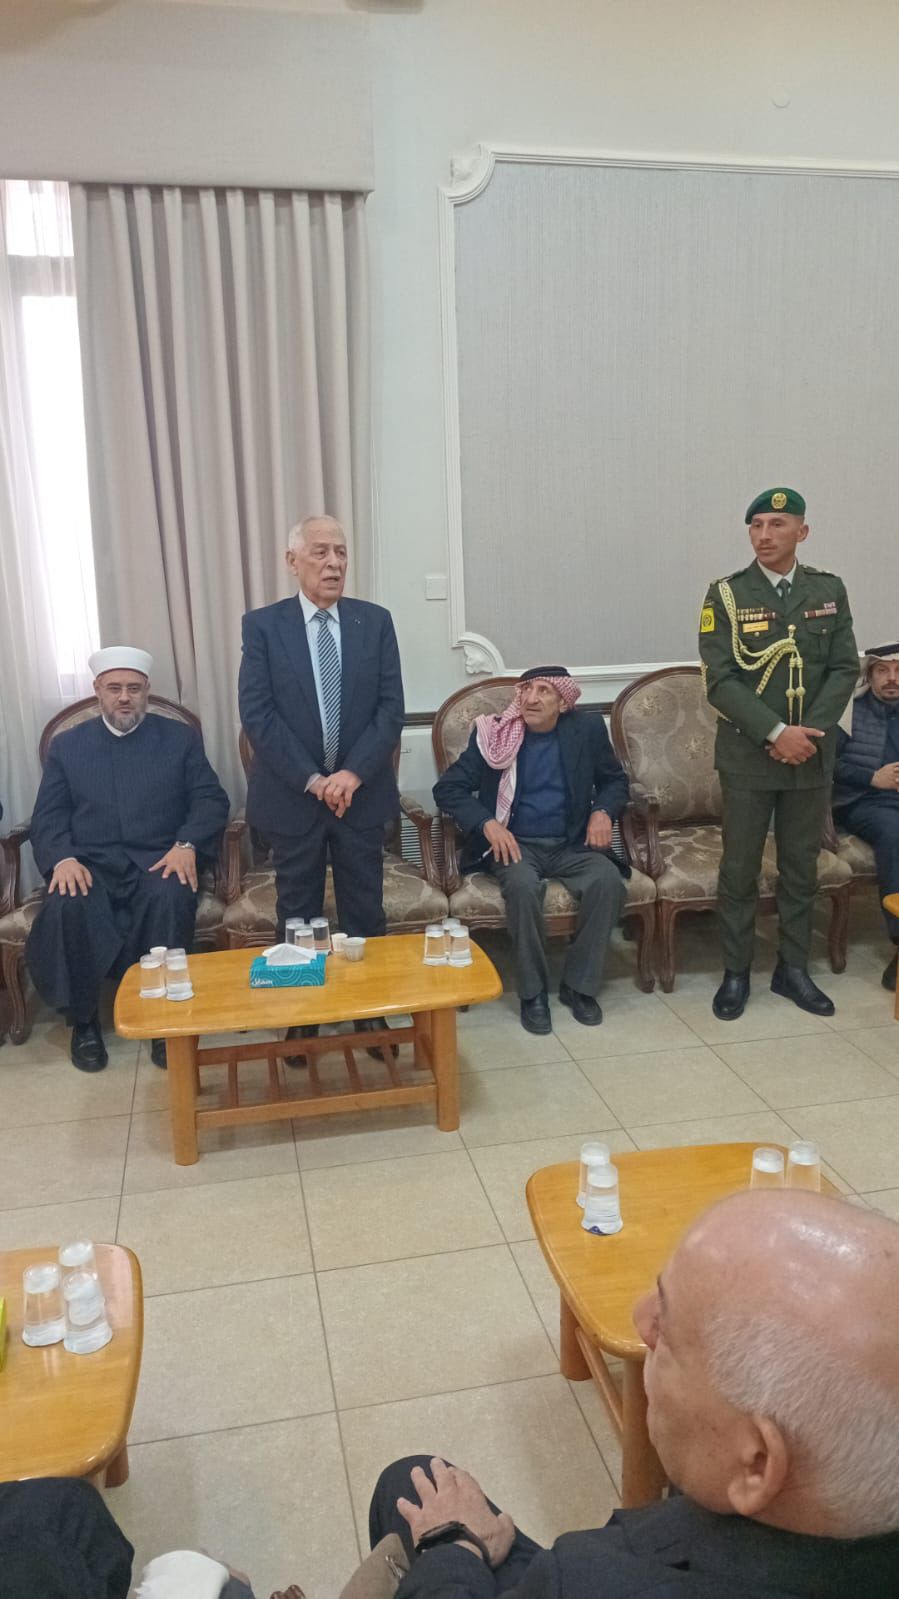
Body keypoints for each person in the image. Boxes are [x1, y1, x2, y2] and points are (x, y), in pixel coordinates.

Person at [368, 1189, 899, 1599]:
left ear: (756, 1463)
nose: (641, 1320)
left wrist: (453, 1544)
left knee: (409, 1483)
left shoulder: (588, 1582)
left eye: (670, 1330)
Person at [238, 516, 405, 1066]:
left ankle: (370, 1011)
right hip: (293, 796)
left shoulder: (374, 622)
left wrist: (352, 774)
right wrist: (313, 779)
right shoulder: (263, 627)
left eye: (341, 552)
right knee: (297, 911)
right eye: (320, 552)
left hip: (361, 794)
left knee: (365, 908)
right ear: (293, 561)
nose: (334, 563)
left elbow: (390, 710)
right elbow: (258, 715)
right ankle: (301, 1019)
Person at [25, 647, 229, 1073]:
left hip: (159, 858)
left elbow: (210, 799)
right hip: (90, 863)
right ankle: (84, 1023)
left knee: (170, 895)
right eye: (114, 688)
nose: (124, 697)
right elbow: (48, 816)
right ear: (97, 690)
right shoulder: (68, 746)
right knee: (69, 902)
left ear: (146, 691)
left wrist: (187, 845)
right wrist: (62, 858)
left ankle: (162, 1021)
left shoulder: (179, 739)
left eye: (133, 689)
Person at [698, 488, 858, 1021]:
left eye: (777, 524)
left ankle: (793, 969)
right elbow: (720, 680)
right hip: (748, 756)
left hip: (810, 754)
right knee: (739, 869)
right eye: (756, 525)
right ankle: (736, 972)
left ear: (802, 532)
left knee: (800, 868)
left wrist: (807, 733)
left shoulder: (828, 589)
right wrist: (774, 732)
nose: (764, 535)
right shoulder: (726, 595)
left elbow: (844, 667)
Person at [433, 666, 629, 1035]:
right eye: (526, 690)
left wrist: (603, 811)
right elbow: (448, 789)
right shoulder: (495, 734)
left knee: (607, 881)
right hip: (515, 844)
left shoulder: (586, 730)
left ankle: (579, 987)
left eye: (543, 691)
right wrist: (487, 823)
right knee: (523, 888)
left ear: (563, 702)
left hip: (571, 844)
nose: (531, 698)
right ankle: (533, 993)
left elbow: (614, 781)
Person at [833, 641, 899, 991]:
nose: (892, 678)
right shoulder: (850, 713)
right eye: (883, 671)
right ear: (869, 676)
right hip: (864, 801)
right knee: (894, 833)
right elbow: (826, 764)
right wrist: (873, 777)